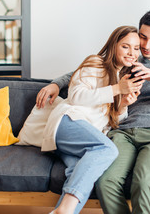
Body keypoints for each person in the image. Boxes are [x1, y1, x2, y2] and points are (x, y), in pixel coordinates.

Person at [36, 10, 150, 214]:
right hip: (122, 131)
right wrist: (56, 84)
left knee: (144, 183)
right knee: (106, 182)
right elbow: (88, 69)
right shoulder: (129, 59)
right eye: (143, 37)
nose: (146, 46)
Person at [36, 25, 143, 214]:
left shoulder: (122, 77)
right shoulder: (95, 63)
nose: (132, 53)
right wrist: (117, 89)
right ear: (114, 45)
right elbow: (76, 96)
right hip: (68, 121)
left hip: (84, 135)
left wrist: (123, 103)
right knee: (108, 149)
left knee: (79, 173)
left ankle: (62, 211)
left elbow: (110, 120)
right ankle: (66, 210)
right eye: (126, 46)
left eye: (136, 48)